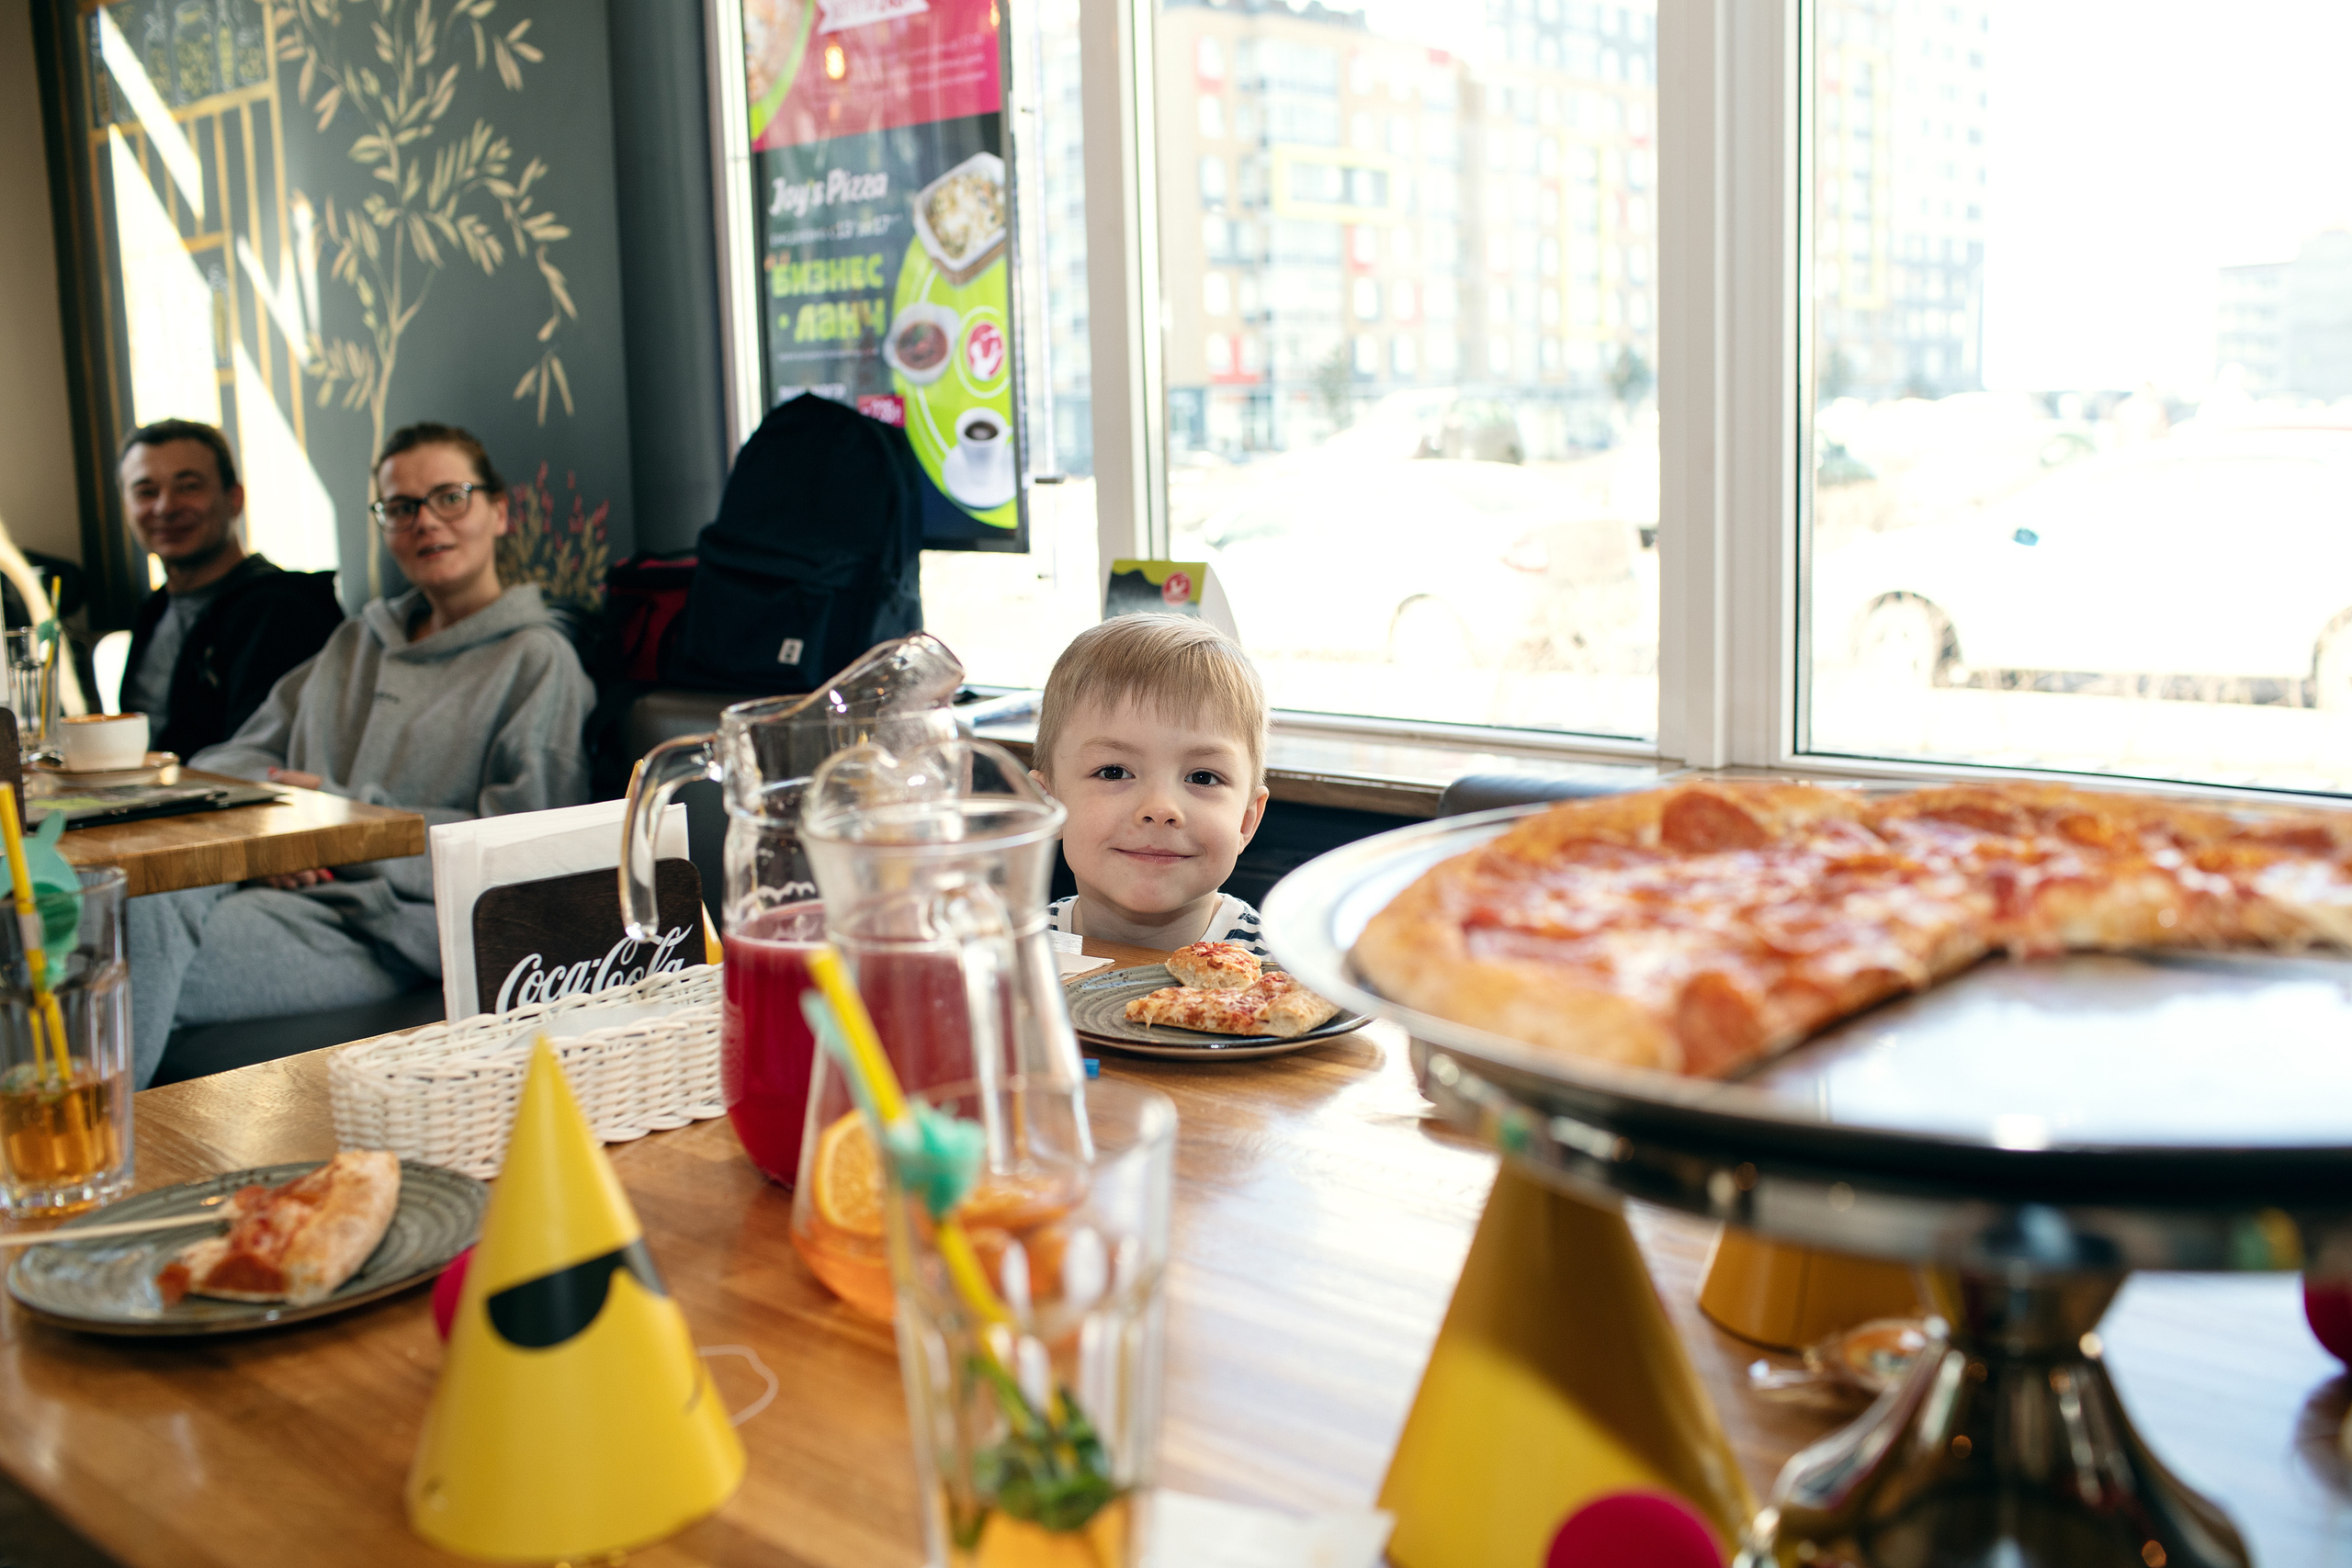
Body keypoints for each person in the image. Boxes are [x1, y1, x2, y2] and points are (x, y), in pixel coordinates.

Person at [123, 423, 595, 1087]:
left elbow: (524, 850)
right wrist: (283, 829)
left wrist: (339, 819)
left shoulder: (537, 661)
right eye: (401, 507)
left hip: (387, 923)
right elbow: (229, 762)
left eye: (450, 497)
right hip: (281, 890)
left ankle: (85, 1149)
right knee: (117, 899)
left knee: (110, 958)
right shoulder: (355, 643)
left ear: (498, 511)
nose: (425, 521)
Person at [1028, 615, 1272, 953]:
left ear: (1246, 820)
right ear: (1047, 806)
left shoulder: (1286, 967)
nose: (1160, 809)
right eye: (1114, 772)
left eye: (1202, 778)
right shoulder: (1016, 956)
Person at [116, 419, 345, 757]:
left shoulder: (282, 611)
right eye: (146, 492)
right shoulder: (155, 609)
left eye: (188, 486)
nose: (166, 507)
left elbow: (259, 758)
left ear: (234, 499)